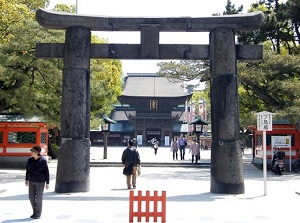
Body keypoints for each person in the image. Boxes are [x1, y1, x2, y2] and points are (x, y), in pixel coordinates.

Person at [25, 145, 49, 219]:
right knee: (31, 197)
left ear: (36, 152)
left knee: (38, 198)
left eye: (32, 151)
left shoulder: (43, 160)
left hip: (40, 181)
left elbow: (46, 172)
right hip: (31, 181)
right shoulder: (29, 160)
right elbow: (27, 170)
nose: (31, 152)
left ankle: (38, 214)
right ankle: (34, 212)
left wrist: (47, 182)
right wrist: (26, 179)